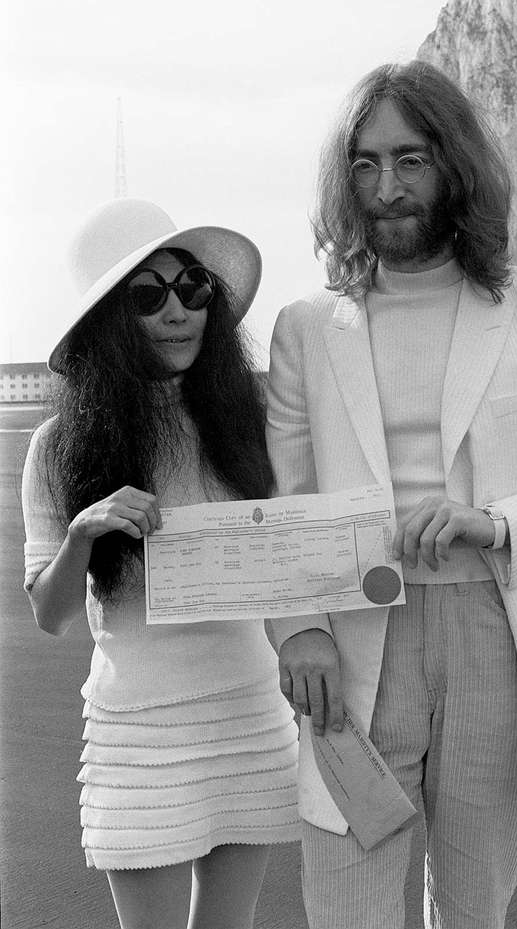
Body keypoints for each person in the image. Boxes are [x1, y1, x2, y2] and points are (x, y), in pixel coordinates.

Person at [265, 61, 517, 929]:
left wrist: (495, 522)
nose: (385, 187)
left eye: (410, 159)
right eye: (363, 164)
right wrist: (301, 630)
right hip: (349, 645)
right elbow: (283, 501)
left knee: (474, 912)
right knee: (346, 910)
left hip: (494, 636)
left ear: (455, 164)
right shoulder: (306, 328)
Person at [21, 198, 300, 929]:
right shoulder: (58, 447)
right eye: (148, 295)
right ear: (110, 320)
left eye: (193, 287)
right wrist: (83, 533)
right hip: (138, 730)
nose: (179, 311)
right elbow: (49, 614)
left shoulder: (252, 422)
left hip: (249, 711)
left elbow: (301, 550)